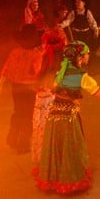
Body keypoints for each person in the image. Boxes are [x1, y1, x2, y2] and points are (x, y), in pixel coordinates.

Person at [33, 41, 100, 194]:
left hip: (54, 115)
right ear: (80, 58)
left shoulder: (60, 72)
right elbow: (99, 94)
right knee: (70, 147)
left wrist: (70, 97)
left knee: (55, 146)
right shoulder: (82, 76)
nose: (88, 55)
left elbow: (55, 91)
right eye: (86, 53)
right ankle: (68, 179)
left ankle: (53, 178)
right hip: (68, 117)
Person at [0, 25, 44, 154]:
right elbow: (38, 72)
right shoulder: (37, 54)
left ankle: (12, 140)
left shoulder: (15, 52)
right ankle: (23, 144)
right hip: (30, 89)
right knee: (28, 115)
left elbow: (5, 70)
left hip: (16, 87)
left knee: (18, 112)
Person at [32, 27, 67, 163]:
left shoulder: (42, 60)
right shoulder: (62, 66)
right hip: (53, 103)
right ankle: (54, 160)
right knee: (53, 132)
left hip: (40, 103)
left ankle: (43, 159)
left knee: (41, 132)